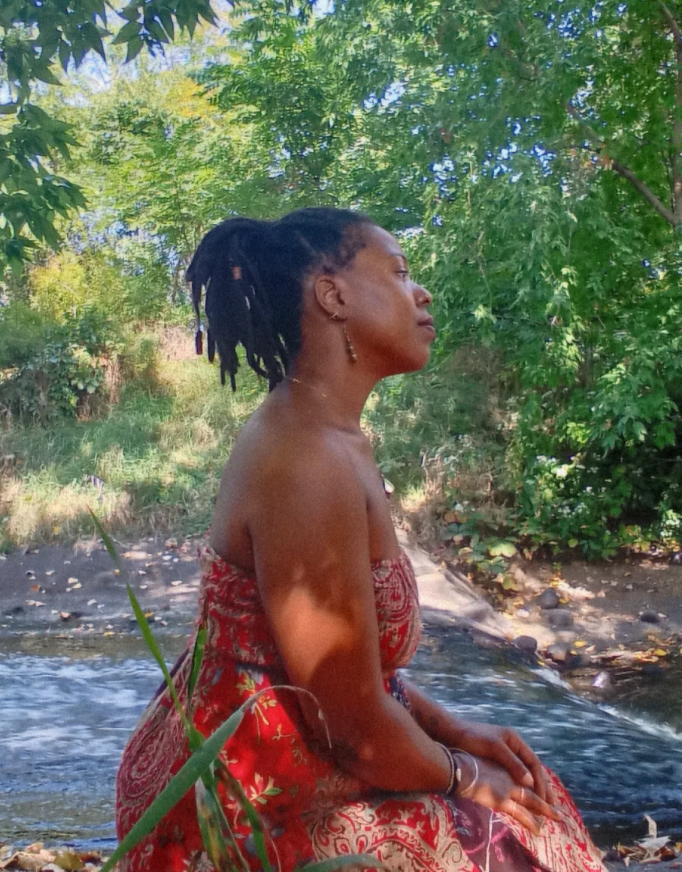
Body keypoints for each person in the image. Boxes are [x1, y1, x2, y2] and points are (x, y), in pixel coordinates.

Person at [115, 208, 607, 872]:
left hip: (305, 755)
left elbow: (354, 674)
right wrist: (461, 774)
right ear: (332, 293)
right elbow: (351, 727)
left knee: (524, 791)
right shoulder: (306, 462)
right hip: (252, 801)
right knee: (517, 830)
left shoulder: (331, 436)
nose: (422, 292)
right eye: (399, 272)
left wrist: (449, 729)